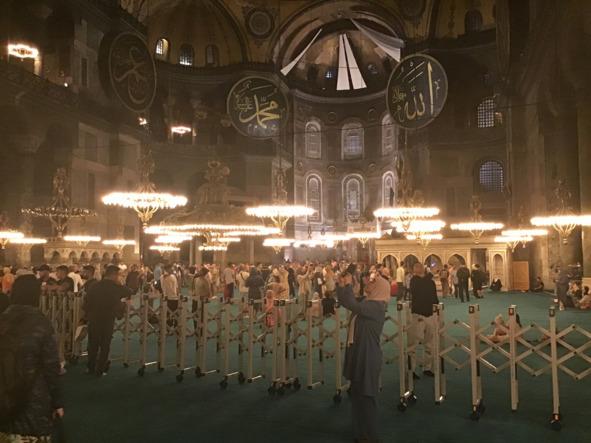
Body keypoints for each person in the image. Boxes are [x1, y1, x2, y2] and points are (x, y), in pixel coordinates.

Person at [0, 275, 64, 440]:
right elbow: (51, 367)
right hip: (33, 400)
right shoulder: (41, 324)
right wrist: (57, 402)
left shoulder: (2, 319)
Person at [336, 267, 387, 442]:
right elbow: (345, 300)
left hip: (367, 355)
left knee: (366, 396)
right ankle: (360, 433)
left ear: (380, 288)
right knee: (358, 395)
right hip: (359, 352)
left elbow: (352, 304)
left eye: (373, 282)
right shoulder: (367, 302)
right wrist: (342, 284)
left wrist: (349, 285)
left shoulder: (377, 306)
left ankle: (370, 436)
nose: (369, 282)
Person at [84, 265, 131, 376]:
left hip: (94, 317)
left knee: (93, 343)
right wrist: (121, 284)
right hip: (107, 318)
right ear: (114, 275)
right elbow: (129, 292)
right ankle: (100, 369)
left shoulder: (94, 285)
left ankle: (90, 367)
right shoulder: (115, 287)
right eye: (119, 275)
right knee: (105, 344)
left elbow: (86, 302)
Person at [408, 262, 439, 378]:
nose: (418, 268)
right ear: (414, 269)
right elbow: (418, 289)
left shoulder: (430, 281)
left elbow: (434, 297)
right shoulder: (414, 281)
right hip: (418, 314)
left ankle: (427, 367)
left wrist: (436, 311)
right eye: (416, 267)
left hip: (430, 314)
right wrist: (430, 275)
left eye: (420, 266)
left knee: (429, 343)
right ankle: (412, 370)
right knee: (413, 344)